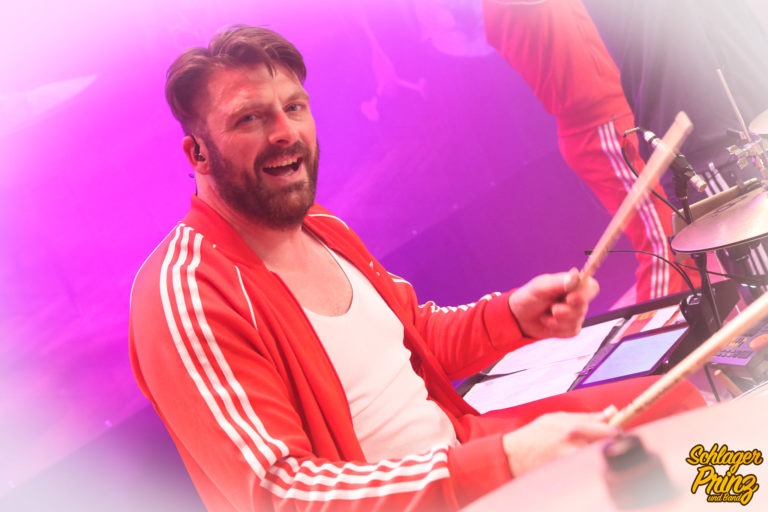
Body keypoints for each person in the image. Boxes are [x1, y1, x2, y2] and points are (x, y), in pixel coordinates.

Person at [129, 25, 705, 511]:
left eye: (294, 107)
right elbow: (283, 493)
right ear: (198, 153)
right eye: (249, 119)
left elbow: (414, 339)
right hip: (431, 491)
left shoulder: (321, 226)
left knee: (675, 411)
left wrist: (515, 317)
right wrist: (501, 462)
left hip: (459, 450)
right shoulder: (187, 291)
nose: (285, 132)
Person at [481, 0, 699, 303]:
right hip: (600, 125)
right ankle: (660, 328)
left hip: (619, 108)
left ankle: (698, 319)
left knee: (685, 237)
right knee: (666, 245)